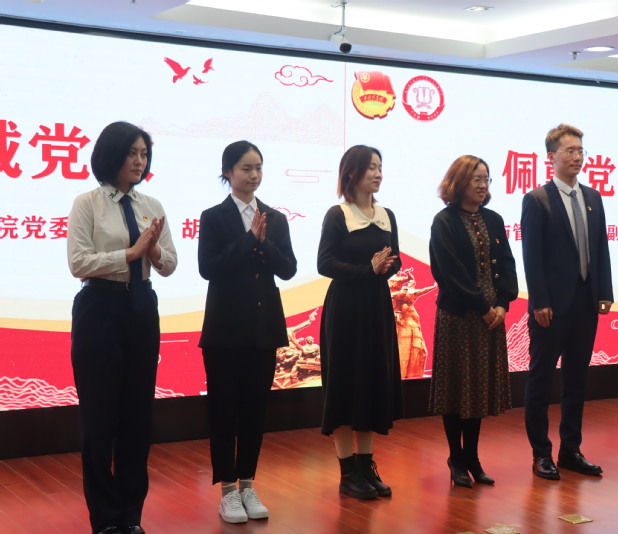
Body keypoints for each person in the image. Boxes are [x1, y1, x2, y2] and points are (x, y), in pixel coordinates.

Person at [68, 121, 177, 534]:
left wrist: (153, 250)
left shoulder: (152, 204)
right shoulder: (88, 203)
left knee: (137, 419)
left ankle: (131, 516)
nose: (139, 161)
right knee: (99, 420)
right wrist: (130, 253)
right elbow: (79, 262)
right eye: (131, 153)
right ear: (111, 155)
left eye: (144, 154)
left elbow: (169, 264)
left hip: (141, 307)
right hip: (100, 308)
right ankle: (105, 518)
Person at [198, 140, 297, 523]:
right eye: (246, 168)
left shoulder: (275, 218)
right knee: (225, 412)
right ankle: (227, 490)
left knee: (255, 411)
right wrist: (248, 241)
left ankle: (248, 484)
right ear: (228, 172)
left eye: (258, 167)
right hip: (224, 330)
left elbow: (287, 268)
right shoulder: (213, 217)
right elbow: (209, 268)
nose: (254, 175)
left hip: (262, 327)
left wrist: (263, 243)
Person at [520, 124, 613, 480]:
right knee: (541, 380)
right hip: (551, 308)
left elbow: (600, 248)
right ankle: (541, 453)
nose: (577, 157)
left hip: (585, 303)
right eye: (570, 151)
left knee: (576, 380)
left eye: (580, 151)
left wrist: (604, 291)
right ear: (551, 157)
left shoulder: (593, 197)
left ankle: (571, 450)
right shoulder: (537, 199)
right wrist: (539, 301)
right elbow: (532, 256)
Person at [317, 145, 402, 500]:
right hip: (345, 309)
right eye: (371, 168)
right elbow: (325, 263)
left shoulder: (386, 214)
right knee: (344, 384)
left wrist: (385, 267)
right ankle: (347, 472)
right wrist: (368, 268)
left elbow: (395, 260)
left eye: (380, 167)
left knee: (371, 383)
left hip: (376, 307)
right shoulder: (338, 215)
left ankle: (366, 467)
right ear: (352, 173)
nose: (378, 174)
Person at [429, 155, 518, 487]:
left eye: (486, 179)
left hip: (491, 318)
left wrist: (503, 304)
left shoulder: (493, 219)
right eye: (476, 179)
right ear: (459, 182)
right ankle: (456, 458)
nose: (482, 185)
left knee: (477, 391)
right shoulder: (444, 221)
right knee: (456, 390)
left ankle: (473, 458)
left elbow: (507, 264)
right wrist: (483, 307)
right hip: (459, 316)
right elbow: (449, 274)